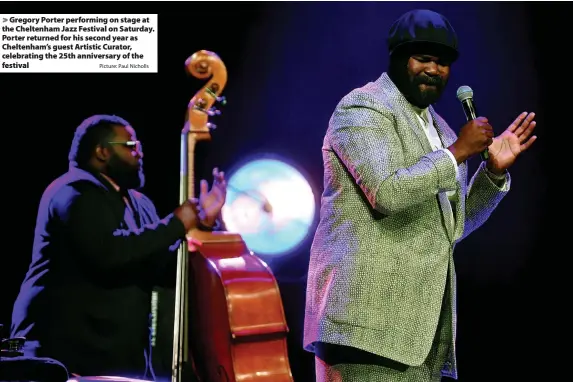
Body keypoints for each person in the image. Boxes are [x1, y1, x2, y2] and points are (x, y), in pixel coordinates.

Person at [303, 9, 537, 382]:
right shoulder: (363, 107)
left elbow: (450, 228)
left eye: (442, 62)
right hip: (365, 330)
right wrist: (458, 151)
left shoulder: (441, 130)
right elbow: (387, 192)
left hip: (419, 336)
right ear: (397, 58)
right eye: (423, 58)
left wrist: (492, 172)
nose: (433, 69)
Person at [10, 114, 227, 380]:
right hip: (65, 356)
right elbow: (109, 252)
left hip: (115, 360)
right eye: (131, 145)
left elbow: (159, 267)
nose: (140, 153)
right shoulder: (73, 192)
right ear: (102, 151)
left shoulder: (140, 203)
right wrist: (176, 223)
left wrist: (204, 225)